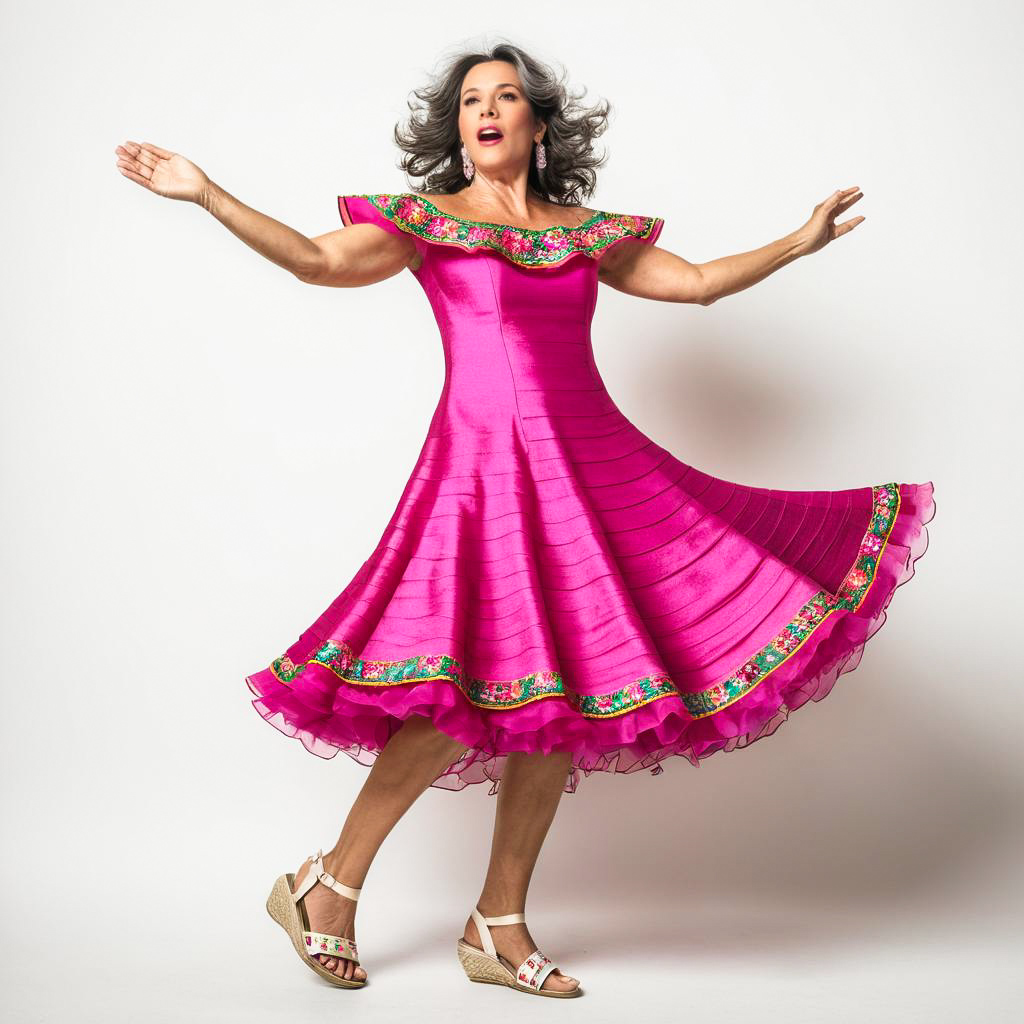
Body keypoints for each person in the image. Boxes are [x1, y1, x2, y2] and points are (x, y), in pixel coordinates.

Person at [114, 40, 935, 1000]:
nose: (488, 110)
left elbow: (698, 282)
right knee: (452, 691)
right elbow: (314, 260)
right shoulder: (427, 223)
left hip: (588, 467)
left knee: (559, 695)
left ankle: (498, 925)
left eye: (507, 97)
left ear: (539, 126)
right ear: (457, 128)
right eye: (471, 101)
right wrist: (209, 194)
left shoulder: (582, 234)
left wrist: (797, 242)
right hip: (483, 473)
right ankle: (326, 885)